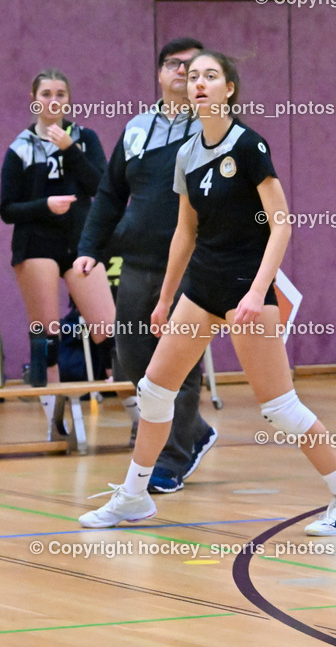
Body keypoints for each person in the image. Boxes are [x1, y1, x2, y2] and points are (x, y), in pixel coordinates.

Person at [80, 51, 336, 535]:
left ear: (229, 89)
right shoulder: (186, 153)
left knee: (280, 408)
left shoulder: (249, 146)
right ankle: (133, 497)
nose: (198, 84)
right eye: (192, 76)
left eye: (210, 76)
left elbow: (282, 226)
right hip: (202, 287)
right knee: (154, 392)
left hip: (248, 288)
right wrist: (164, 299)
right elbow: (184, 233)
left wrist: (257, 294)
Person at [75, 38, 217, 494]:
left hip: (195, 265)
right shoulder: (136, 129)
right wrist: (88, 247)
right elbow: (111, 194)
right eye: (176, 65)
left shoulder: (218, 129)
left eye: (195, 67)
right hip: (136, 262)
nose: (185, 72)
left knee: (181, 363)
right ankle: (193, 431)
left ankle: (172, 459)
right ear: (159, 73)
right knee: (133, 360)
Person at [1, 69, 115, 417]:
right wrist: (44, 206)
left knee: (108, 329)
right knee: (46, 332)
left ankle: (134, 409)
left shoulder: (85, 137)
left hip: (80, 242)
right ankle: (52, 413)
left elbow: (100, 186)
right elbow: (6, 208)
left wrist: (70, 151)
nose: (54, 100)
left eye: (61, 94)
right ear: (35, 98)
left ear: (69, 99)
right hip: (36, 244)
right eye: (47, 93)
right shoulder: (20, 148)